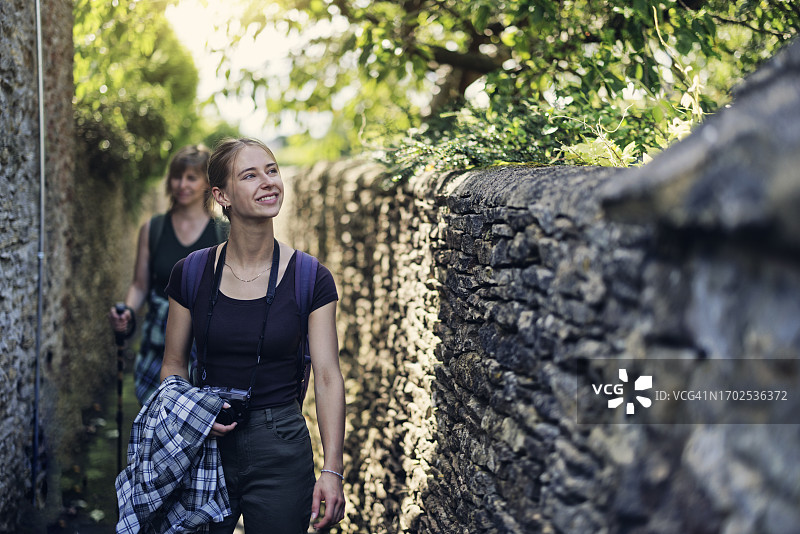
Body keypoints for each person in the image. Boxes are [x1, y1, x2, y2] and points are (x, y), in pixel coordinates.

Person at [160, 137, 346, 533]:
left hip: (281, 445)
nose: (268, 182)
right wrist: (193, 414)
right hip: (205, 443)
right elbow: (173, 367)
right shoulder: (190, 273)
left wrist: (332, 470)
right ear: (221, 195)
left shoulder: (311, 278)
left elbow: (328, 375)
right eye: (250, 175)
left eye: (272, 170)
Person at [109, 144, 227, 404]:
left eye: (191, 177)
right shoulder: (153, 229)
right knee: (156, 424)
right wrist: (127, 312)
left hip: (206, 349)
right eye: (177, 176)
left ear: (207, 184)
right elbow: (140, 286)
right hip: (157, 347)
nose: (182, 184)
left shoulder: (223, 232)